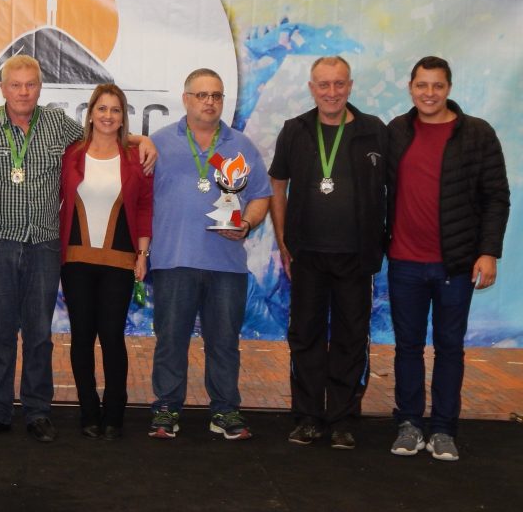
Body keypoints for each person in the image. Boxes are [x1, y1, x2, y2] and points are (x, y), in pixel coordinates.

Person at [0, 55, 155, 442]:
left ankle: (37, 412)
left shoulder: (57, 124)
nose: (23, 92)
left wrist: (142, 139)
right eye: (15, 85)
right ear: (2, 88)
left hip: (45, 244)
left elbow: (102, 132)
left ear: (40, 87)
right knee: (0, 333)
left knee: (39, 335)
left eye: (30, 84)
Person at [386, 56, 509, 462]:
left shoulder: (477, 133)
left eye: (437, 85)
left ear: (449, 88)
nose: (429, 93)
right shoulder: (396, 132)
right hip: (404, 262)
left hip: (455, 264)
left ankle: (442, 429)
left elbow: (496, 197)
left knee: (450, 347)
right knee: (407, 347)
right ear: (410, 87)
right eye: (422, 85)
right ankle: (408, 424)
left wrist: (488, 252)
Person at [268, 56, 387, 450]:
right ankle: (307, 417)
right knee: (305, 336)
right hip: (307, 255)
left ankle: (343, 420)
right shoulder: (296, 130)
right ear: (312, 88)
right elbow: (277, 185)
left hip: (356, 255)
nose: (332, 92)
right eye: (324, 84)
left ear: (350, 86)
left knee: (352, 338)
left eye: (339, 84)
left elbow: (395, 187)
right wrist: (283, 241)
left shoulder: (374, 131)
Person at [147, 68, 270, 441]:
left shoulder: (241, 146)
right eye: (201, 95)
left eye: (216, 95)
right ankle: (167, 407)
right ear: (185, 99)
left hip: (226, 264)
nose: (209, 102)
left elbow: (261, 196)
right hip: (173, 260)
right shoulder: (159, 143)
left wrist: (246, 223)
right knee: (171, 340)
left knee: (224, 343)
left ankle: (225, 410)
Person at [59, 84, 152, 440]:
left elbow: (144, 207)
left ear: (123, 117)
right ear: (91, 113)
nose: (108, 116)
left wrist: (142, 254)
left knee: (112, 336)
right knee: (82, 336)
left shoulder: (136, 158)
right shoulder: (72, 153)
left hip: (120, 261)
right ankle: (88, 411)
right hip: (76, 260)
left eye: (115, 110)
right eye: (102, 108)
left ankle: (114, 412)